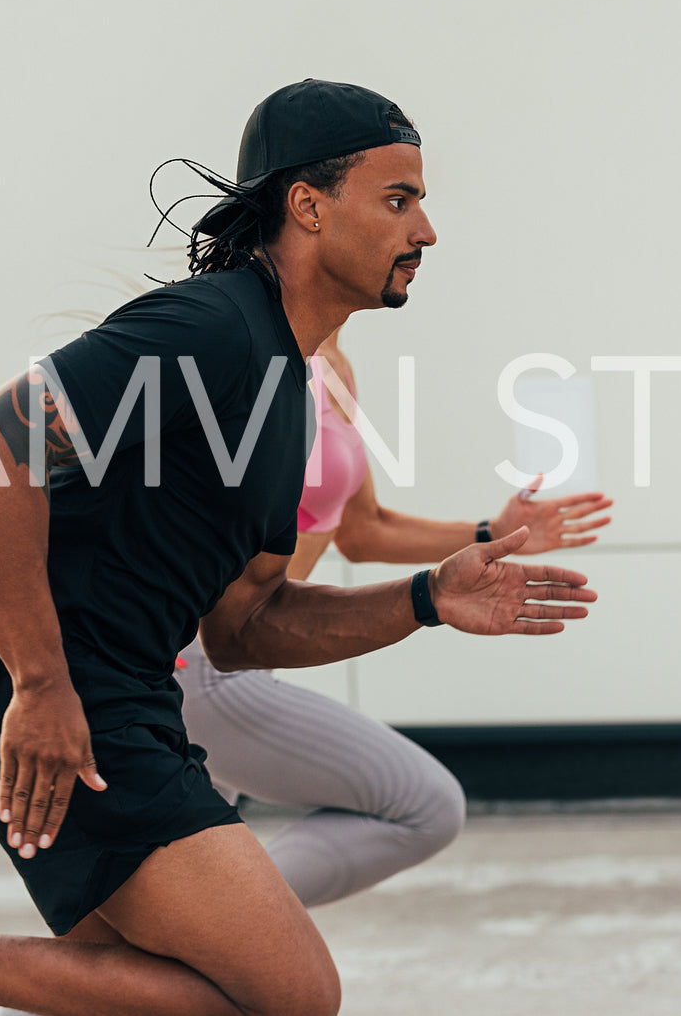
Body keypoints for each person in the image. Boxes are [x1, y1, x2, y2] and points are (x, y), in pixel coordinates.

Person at [0, 78, 597, 1016]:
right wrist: (40, 683)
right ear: (307, 206)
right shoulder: (215, 327)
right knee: (294, 997)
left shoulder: (288, 387)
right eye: (399, 200)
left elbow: (245, 625)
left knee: (195, 1002)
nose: (426, 231)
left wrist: (428, 597)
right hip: (71, 699)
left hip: (127, 694)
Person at [175, 332, 614, 908]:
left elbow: (361, 530)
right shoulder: (256, 351)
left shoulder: (333, 366)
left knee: (179, 872)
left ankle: (186, 939)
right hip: (200, 658)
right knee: (424, 807)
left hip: (250, 656)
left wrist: (488, 532)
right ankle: (210, 929)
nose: (422, 241)